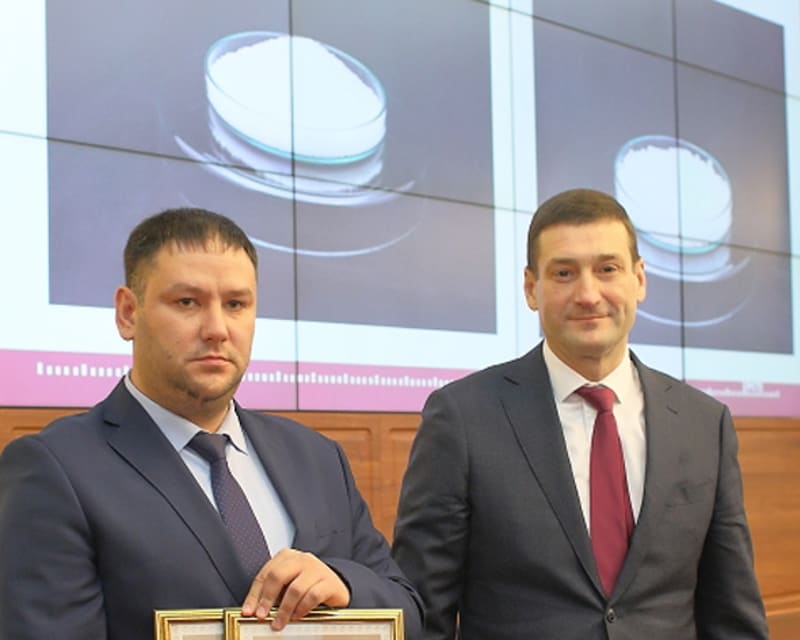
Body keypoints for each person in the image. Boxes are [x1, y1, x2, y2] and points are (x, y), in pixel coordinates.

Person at [0, 207, 422, 640]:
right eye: (187, 302)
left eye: (236, 304)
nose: (217, 329)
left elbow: (407, 610)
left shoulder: (317, 457)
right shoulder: (56, 469)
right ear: (128, 313)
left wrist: (346, 586)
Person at [392, 188, 767, 639]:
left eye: (607, 269)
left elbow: (732, 614)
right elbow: (423, 612)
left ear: (639, 279)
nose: (588, 294)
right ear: (531, 288)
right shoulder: (462, 418)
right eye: (564, 273)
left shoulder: (704, 423)